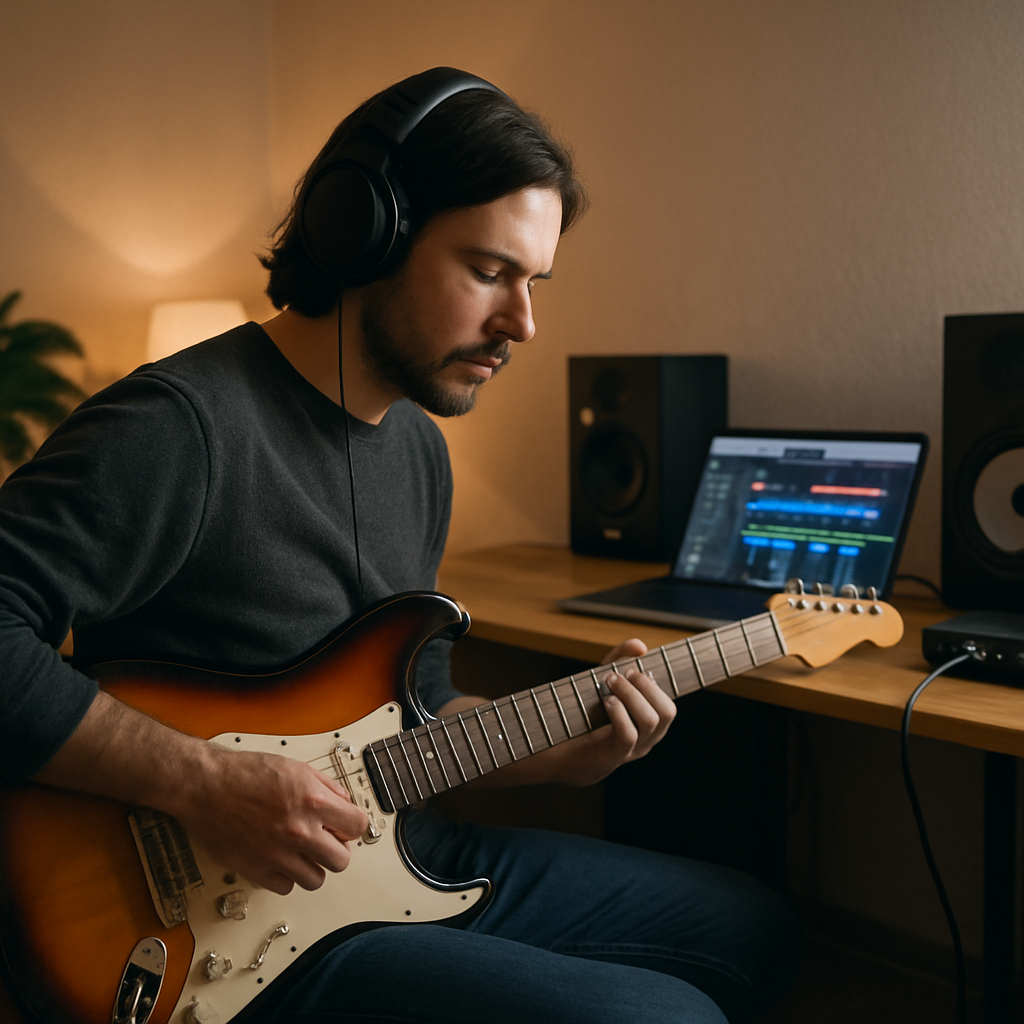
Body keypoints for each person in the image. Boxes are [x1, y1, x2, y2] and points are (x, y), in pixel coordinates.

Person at [0, 68, 799, 1022]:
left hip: (392, 856)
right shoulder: (180, 427)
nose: (524, 324)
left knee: (754, 926)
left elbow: (410, 716)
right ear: (365, 234)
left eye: (534, 281)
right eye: (490, 271)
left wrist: (563, 752)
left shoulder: (418, 447)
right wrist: (204, 784)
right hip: (220, 939)